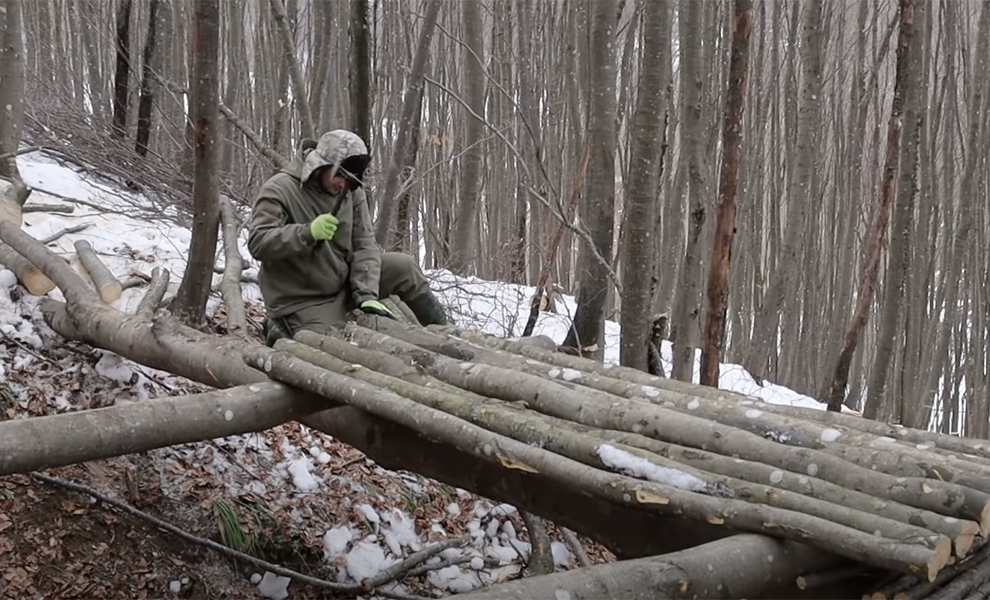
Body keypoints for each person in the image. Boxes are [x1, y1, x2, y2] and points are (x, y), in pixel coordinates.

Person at [247, 129, 447, 346]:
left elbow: (364, 243)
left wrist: (366, 294)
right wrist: (307, 233)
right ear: (319, 165)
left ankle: (446, 334)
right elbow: (259, 242)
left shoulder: (352, 192)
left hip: (343, 282)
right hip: (302, 299)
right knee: (331, 344)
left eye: (351, 179)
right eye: (339, 175)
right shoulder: (281, 188)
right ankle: (277, 327)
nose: (343, 184)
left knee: (404, 267)